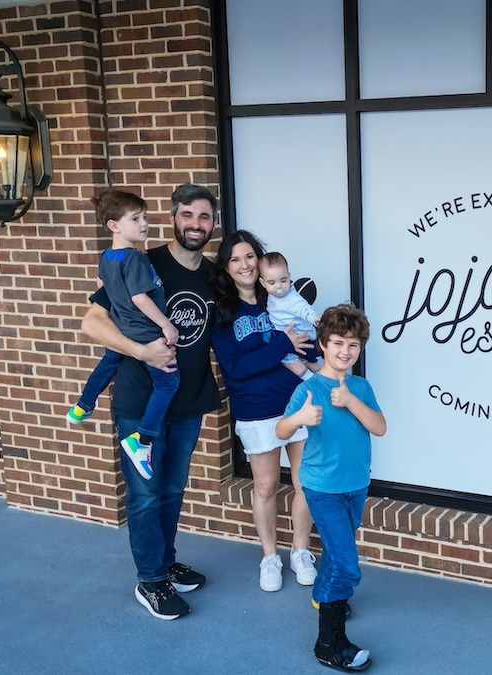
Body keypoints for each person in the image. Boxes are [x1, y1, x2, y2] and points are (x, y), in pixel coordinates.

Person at [80, 184, 301, 621]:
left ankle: (164, 562)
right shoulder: (144, 263)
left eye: (204, 217)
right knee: (143, 495)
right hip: (141, 402)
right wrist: (142, 351)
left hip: (188, 400)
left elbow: (257, 309)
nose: (195, 224)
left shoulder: (214, 278)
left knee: (171, 490)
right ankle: (151, 580)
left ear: (213, 224)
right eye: (187, 215)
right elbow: (92, 321)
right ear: (173, 218)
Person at [276, 303, 386, 672]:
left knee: (338, 557)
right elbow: (281, 431)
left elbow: (380, 427)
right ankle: (329, 643)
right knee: (346, 564)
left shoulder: (360, 387)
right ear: (322, 344)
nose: (345, 351)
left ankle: (325, 596)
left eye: (352, 344)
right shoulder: (310, 390)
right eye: (337, 342)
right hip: (322, 488)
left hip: (356, 485)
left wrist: (351, 401)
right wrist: (300, 418)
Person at [210, 230, 319, 593]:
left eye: (250, 257)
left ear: (261, 260)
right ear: (226, 268)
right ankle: (270, 556)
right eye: (235, 259)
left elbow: (305, 339)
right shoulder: (223, 313)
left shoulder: (280, 297)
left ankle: (300, 552)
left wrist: (309, 350)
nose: (244, 265)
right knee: (267, 485)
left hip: (295, 401)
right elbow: (236, 368)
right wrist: (282, 346)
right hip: (256, 410)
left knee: (306, 482)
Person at [67, 189, 180, 481]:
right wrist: (166, 324)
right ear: (114, 226)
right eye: (136, 219)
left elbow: (103, 284)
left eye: (144, 217)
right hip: (144, 331)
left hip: (121, 328)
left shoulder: (108, 256)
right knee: (169, 383)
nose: (144, 224)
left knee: (108, 364)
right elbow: (141, 299)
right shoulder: (135, 259)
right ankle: (142, 440)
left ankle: (82, 405)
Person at [260, 251, 322, 380]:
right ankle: (325, 377)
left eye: (283, 280)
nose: (279, 287)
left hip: (300, 335)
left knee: (287, 357)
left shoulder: (291, 298)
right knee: (307, 361)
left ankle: (310, 379)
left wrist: (315, 318)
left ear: (289, 276)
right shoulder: (271, 295)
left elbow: (303, 309)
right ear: (262, 283)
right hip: (292, 333)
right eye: (272, 283)